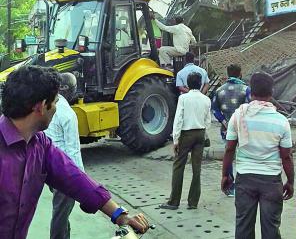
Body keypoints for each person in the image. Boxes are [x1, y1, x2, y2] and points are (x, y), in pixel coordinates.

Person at [0, 66, 149, 239]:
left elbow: (74, 177)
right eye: (55, 101)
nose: (56, 107)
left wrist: (120, 215)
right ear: (41, 107)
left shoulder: (40, 144)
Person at [222, 72, 294, 239]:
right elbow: (286, 157)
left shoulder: (238, 117)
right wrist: (290, 181)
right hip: (271, 181)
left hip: (245, 179)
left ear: (251, 92)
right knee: (271, 229)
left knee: (243, 227)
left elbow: (229, 150)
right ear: (272, 92)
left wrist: (225, 175)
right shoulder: (281, 121)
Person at [159, 72, 211, 210]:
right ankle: (193, 202)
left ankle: (174, 201)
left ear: (187, 84)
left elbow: (178, 119)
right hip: (200, 133)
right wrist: (205, 135)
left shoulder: (184, 98)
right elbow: (208, 120)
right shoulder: (206, 99)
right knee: (197, 168)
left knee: (178, 166)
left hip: (186, 134)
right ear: (200, 84)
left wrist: (176, 139)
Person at [44, 72, 84, 239]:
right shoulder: (67, 113)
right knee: (61, 215)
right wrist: (81, 179)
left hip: (49, 168)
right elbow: (73, 150)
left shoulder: (48, 107)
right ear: (71, 90)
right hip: (65, 172)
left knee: (62, 212)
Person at [212, 64, 249, 196]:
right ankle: (243, 185)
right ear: (240, 74)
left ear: (227, 74)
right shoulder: (246, 89)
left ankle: (230, 186)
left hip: (226, 129)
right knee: (244, 156)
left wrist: (225, 123)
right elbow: (248, 109)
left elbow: (215, 110)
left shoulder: (219, 90)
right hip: (243, 129)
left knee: (229, 155)